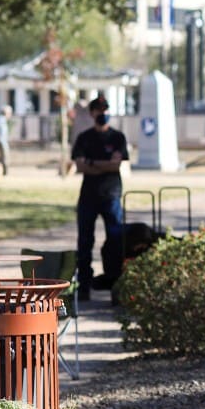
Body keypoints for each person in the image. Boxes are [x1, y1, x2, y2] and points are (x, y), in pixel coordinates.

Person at [71, 96, 128, 301]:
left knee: (115, 241)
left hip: (111, 195)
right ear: (92, 113)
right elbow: (79, 166)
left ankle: (116, 285)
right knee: (85, 242)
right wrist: (103, 164)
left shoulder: (117, 138)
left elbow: (116, 165)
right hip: (88, 196)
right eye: (99, 109)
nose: (103, 113)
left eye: (106, 109)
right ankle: (84, 285)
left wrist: (93, 163)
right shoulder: (84, 138)